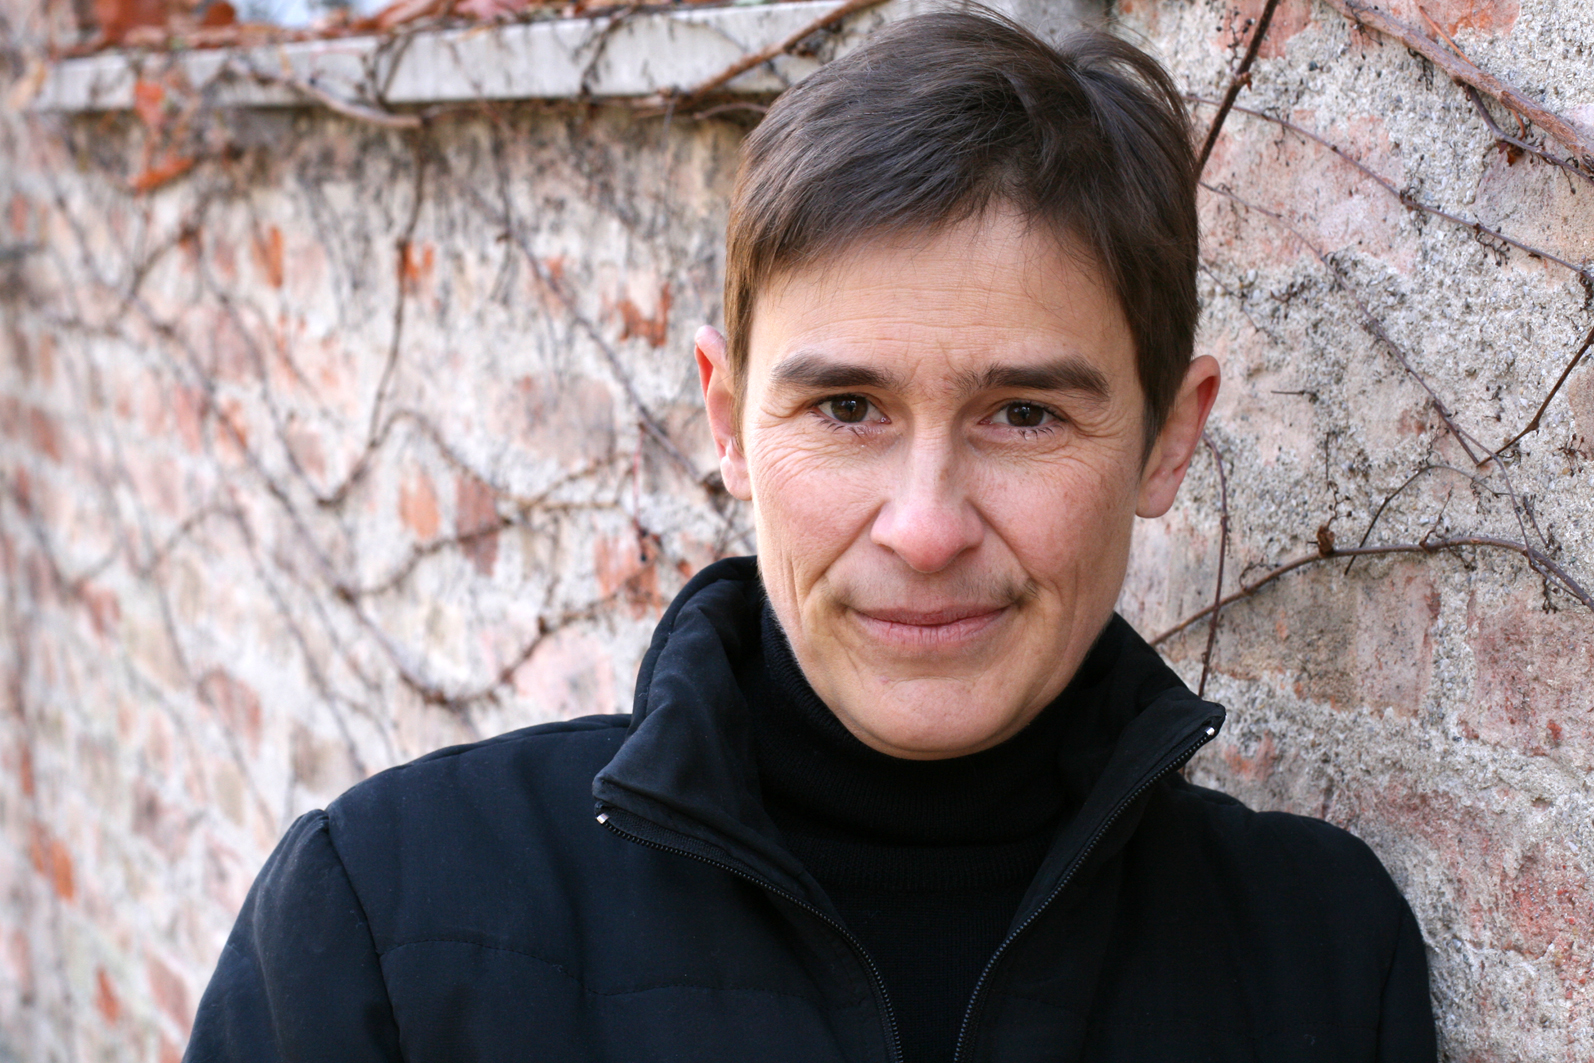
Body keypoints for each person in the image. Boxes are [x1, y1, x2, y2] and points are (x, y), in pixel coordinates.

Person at [185, 9, 1436, 1062]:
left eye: (1023, 413)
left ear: (1166, 438)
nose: (926, 528)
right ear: (727, 421)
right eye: (846, 408)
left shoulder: (1321, 960)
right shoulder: (381, 919)